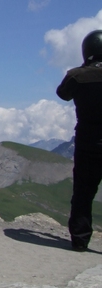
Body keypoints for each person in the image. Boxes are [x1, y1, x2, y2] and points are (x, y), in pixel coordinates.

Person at [57, 29, 102, 252]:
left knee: (83, 192)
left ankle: (80, 239)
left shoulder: (77, 75)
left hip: (88, 142)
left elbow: (62, 94)